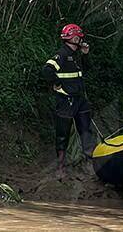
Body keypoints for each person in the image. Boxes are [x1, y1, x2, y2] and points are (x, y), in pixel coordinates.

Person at [42, 23, 94, 177]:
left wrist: (85, 54)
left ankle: (89, 163)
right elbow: (47, 70)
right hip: (66, 101)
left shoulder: (76, 55)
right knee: (63, 134)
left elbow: (86, 71)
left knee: (85, 130)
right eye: (79, 38)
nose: (81, 41)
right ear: (75, 38)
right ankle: (60, 167)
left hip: (80, 100)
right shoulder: (62, 54)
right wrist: (57, 84)